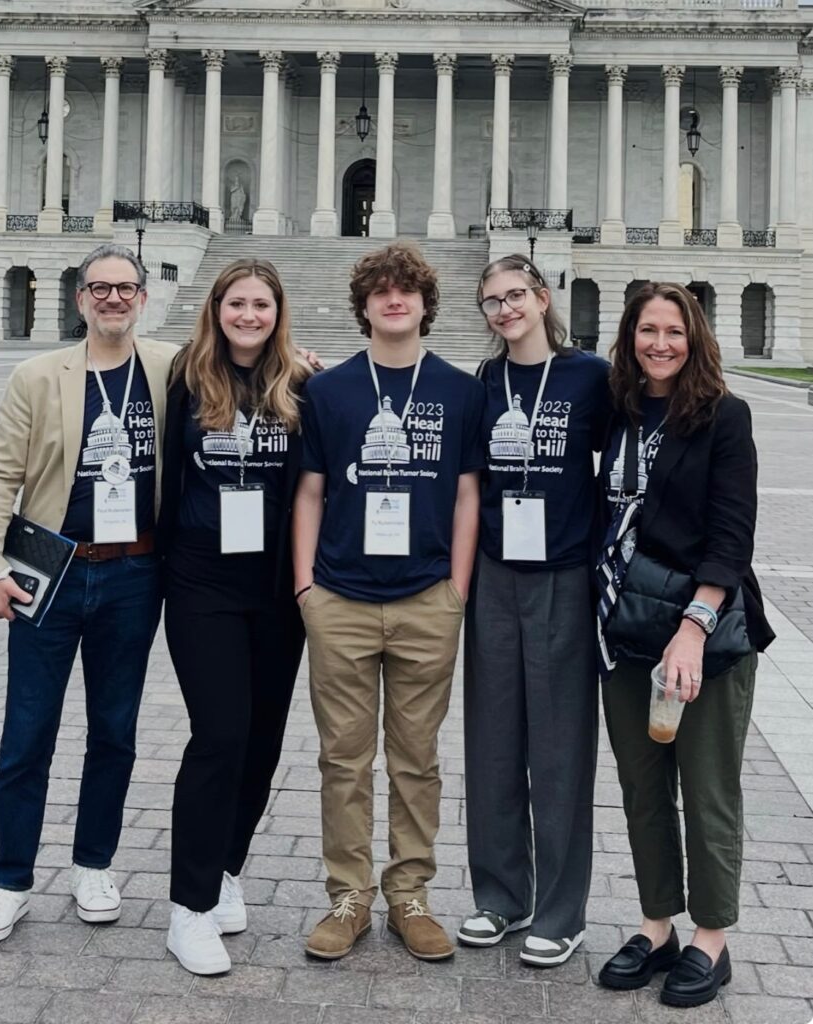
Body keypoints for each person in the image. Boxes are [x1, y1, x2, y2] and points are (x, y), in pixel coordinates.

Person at [0, 244, 175, 943]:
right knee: (27, 734)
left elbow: (253, 368)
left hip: (135, 573)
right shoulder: (37, 374)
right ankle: (8, 880)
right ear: (81, 299)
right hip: (47, 569)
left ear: (143, 298)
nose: (113, 299)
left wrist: (315, 369)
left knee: (114, 732)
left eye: (125, 288)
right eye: (100, 288)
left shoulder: (168, 367)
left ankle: (93, 864)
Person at [293, 242, 484, 962]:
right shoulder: (330, 389)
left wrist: (456, 589)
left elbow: (468, 492)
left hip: (425, 597)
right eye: (381, 291)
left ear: (424, 303)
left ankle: (409, 894)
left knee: (415, 758)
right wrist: (304, 587)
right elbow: (310, 491)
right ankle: (348, 895)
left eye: (406, 290)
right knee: (342, 759)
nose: (394, 300)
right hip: (338, 596)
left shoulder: (460, 390)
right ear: (365, 305)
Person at [595, 282, 774, 1007]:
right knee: (641, 788)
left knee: (705, 790)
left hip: (701, 635)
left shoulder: (722, 417)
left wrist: (691, 632)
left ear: (693, 337)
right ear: (629, 337)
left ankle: (710, 938)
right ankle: (655, 925)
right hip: (623, 628)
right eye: (646, 330)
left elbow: (731, 537)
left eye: (672, 331)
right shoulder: (616, 411)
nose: (659, 343)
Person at [157, 258, 311, 976]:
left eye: (262, 305)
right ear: (216, 308)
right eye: (237, 303)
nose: (249, 315)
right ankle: (186, 908)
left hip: (277, 586)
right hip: (201, 581)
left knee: (262, 743)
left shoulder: (299, 384)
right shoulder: (184, 377)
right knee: (218, 735)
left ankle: (225, 869)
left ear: (279, 313)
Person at [457, 255, 610, 966]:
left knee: (557, 750)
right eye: (491, 301)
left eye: (514, 295)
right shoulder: (484, 383)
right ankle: (499, 897)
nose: (504, 309)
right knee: (490, 744)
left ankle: (559, 909)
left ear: (541, 297)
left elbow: (629, 461)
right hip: (494, 573)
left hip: (562, 576)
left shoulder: (590, 378)